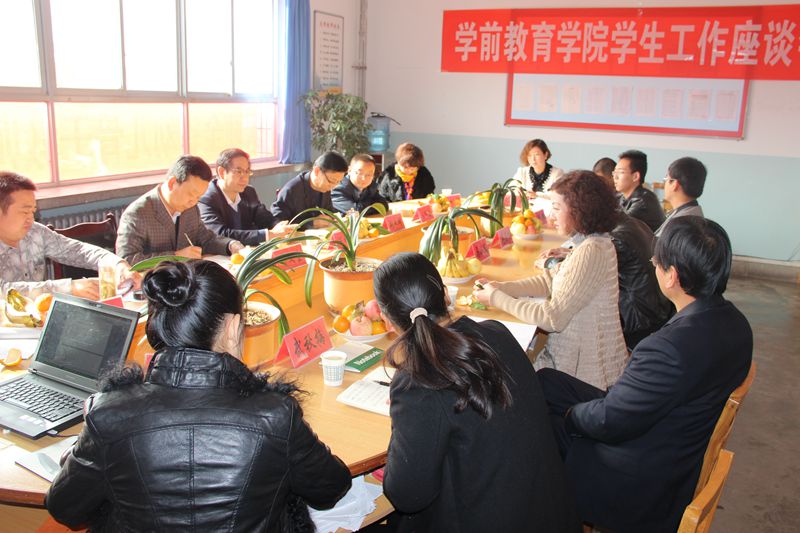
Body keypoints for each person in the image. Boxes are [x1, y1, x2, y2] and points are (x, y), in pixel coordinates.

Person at [45, 259, 352, 532]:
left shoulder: (108, 415)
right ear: (232, 326)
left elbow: (66, 509)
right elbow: (330, 489)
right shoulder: (275, 415)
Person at [538, 217, 752, 533]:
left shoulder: (669, 349)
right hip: (672, 431)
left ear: (672, 276)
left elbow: (609, 422)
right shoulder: (736, 323)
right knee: (546, 381)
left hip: (639, 479)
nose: (654, 265)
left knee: (544, 426)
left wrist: (571, 416)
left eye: (656, 262)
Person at [374, 252, 580, 533]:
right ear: (445, 295)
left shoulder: (416, 381)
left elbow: (408, 496)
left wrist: (402, 427)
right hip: (552, 514)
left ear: (386, 319)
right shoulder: (496, 332)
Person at [473, 170, 628, 389]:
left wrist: (497, 298)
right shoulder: (589, 242)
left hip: (584, 376)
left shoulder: (591, 251)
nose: (551, 216)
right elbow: (549, 281)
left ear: (579, 210)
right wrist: (503, 287)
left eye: (556, 208)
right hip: (574, 362)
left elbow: (552, 318)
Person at [0, 171, 139, 299]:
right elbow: (3, 290)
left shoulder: (36, 232)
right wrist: (69, 288)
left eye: (33, 212)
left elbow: (78, 251)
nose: (31, 219)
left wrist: (118, 265)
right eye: (25, 212)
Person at [116, 155, 243, 264]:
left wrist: (230, 245)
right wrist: (175, 256)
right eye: (191, 194)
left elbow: (205, 239)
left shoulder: (191, 208)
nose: (194, 202)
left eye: (198, 196)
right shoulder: (138, 213)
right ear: (172, 183)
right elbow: (127, 259)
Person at [198, 148, 289, 246]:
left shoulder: (249, 192)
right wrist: (267, 235)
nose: (245, 178)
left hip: (248, 250)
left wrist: (278, 225)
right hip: (221, 253)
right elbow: (220, 234)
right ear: (222, 172)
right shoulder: (206, 199)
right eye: (238, 171)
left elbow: (264, 218)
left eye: (247, 171)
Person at [271, 151, 348, 225]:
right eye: (331, 181)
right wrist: (311, 223)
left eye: (338, 182)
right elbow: (279, 222)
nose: (333, 186)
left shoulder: (325, 187)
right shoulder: (292, 190)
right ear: (317, 171)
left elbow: (329, 211)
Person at [613, 149, 665, 232]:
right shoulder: (620, 197)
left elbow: (617, 225)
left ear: (635, 176)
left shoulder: (643, 201)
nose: (615, 177)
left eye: (621, 172)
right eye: (615, 172)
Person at [655, 156, 707, 237]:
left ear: (674, 184)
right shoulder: (690, 214)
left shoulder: (681, 224)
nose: (664, 185)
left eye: (666, 179)